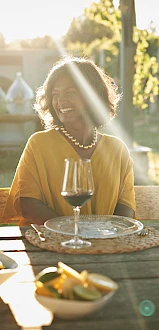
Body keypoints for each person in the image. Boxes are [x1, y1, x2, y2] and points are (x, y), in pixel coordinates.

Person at [2, 56, 136, 226]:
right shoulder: (39, 144)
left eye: (70, 92)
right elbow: (27, 204)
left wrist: (106, 235)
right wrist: (73, 231)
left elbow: (126, 206)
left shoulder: (117, 149)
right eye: (55, 94)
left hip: (105, 246)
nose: (60, 101)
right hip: (50, 245)